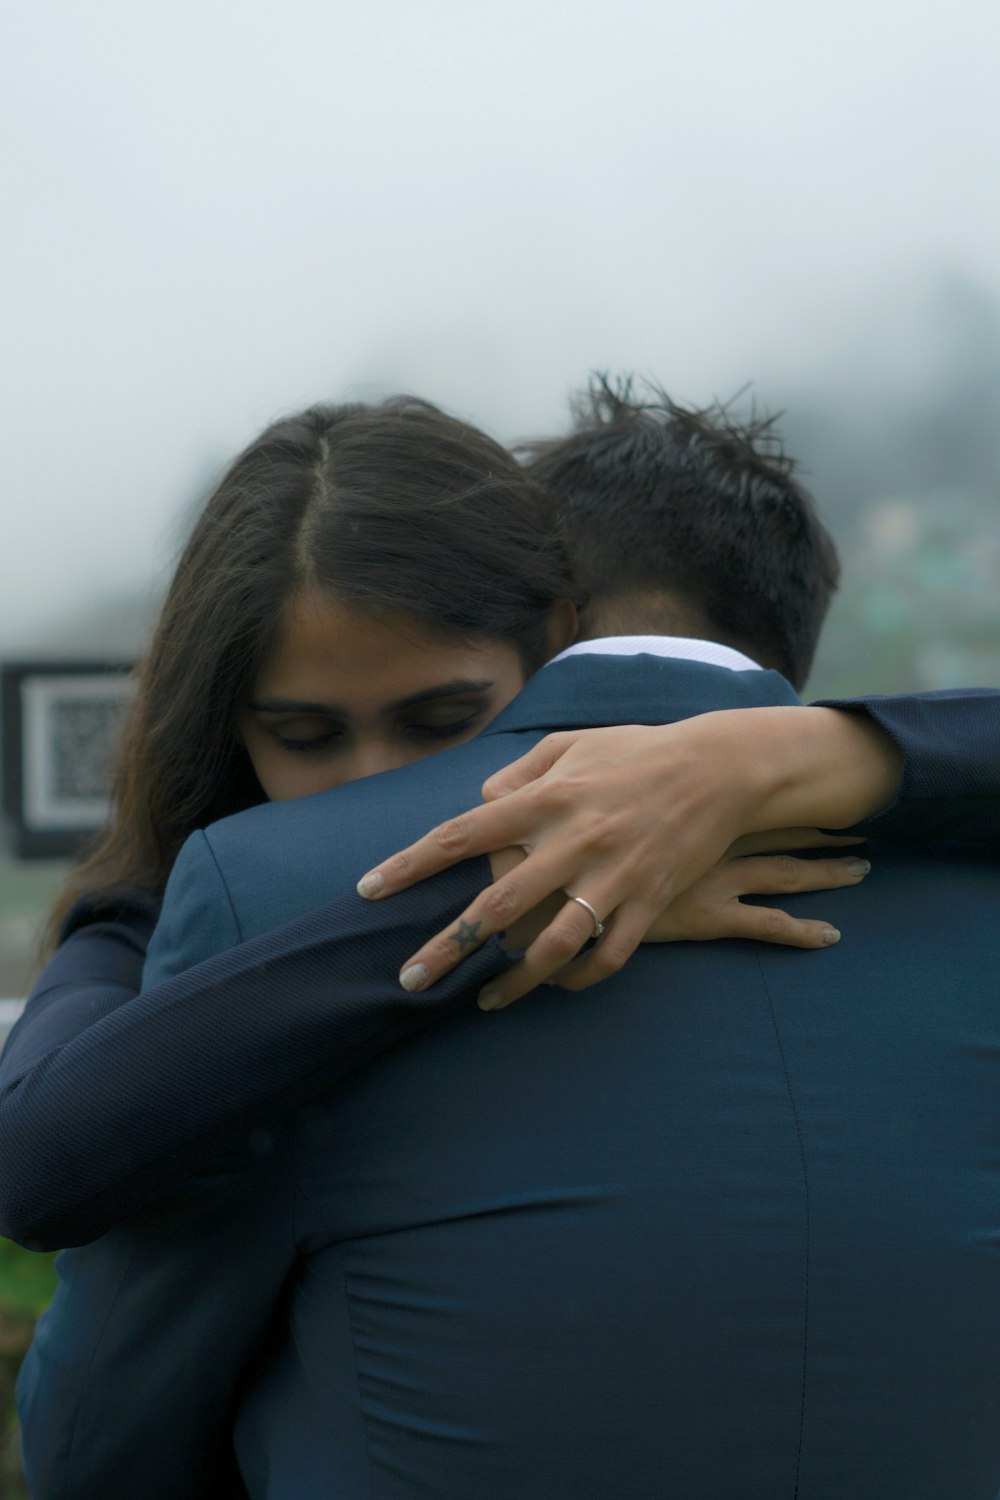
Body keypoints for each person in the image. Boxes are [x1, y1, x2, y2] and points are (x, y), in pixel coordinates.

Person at [15, 389, 1000, 1499]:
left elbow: (99, 1438)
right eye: (304, 733)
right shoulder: (962, 878)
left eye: (441, 721)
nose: (379, 789)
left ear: (557, 632)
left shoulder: (263, 888)